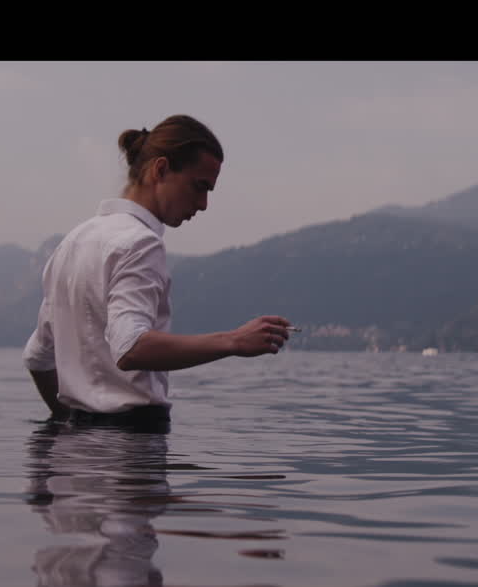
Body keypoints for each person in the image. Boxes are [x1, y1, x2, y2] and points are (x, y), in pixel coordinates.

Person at [22, 114, 292, 429]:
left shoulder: (71, 244)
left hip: (73, 455)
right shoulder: (141, 243)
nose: (204, 204)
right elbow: (131, 347)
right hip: (134, 450)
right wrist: (234, 341)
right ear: (160, 170)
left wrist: (68, 420)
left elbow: (37, 357)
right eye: (199, 186)